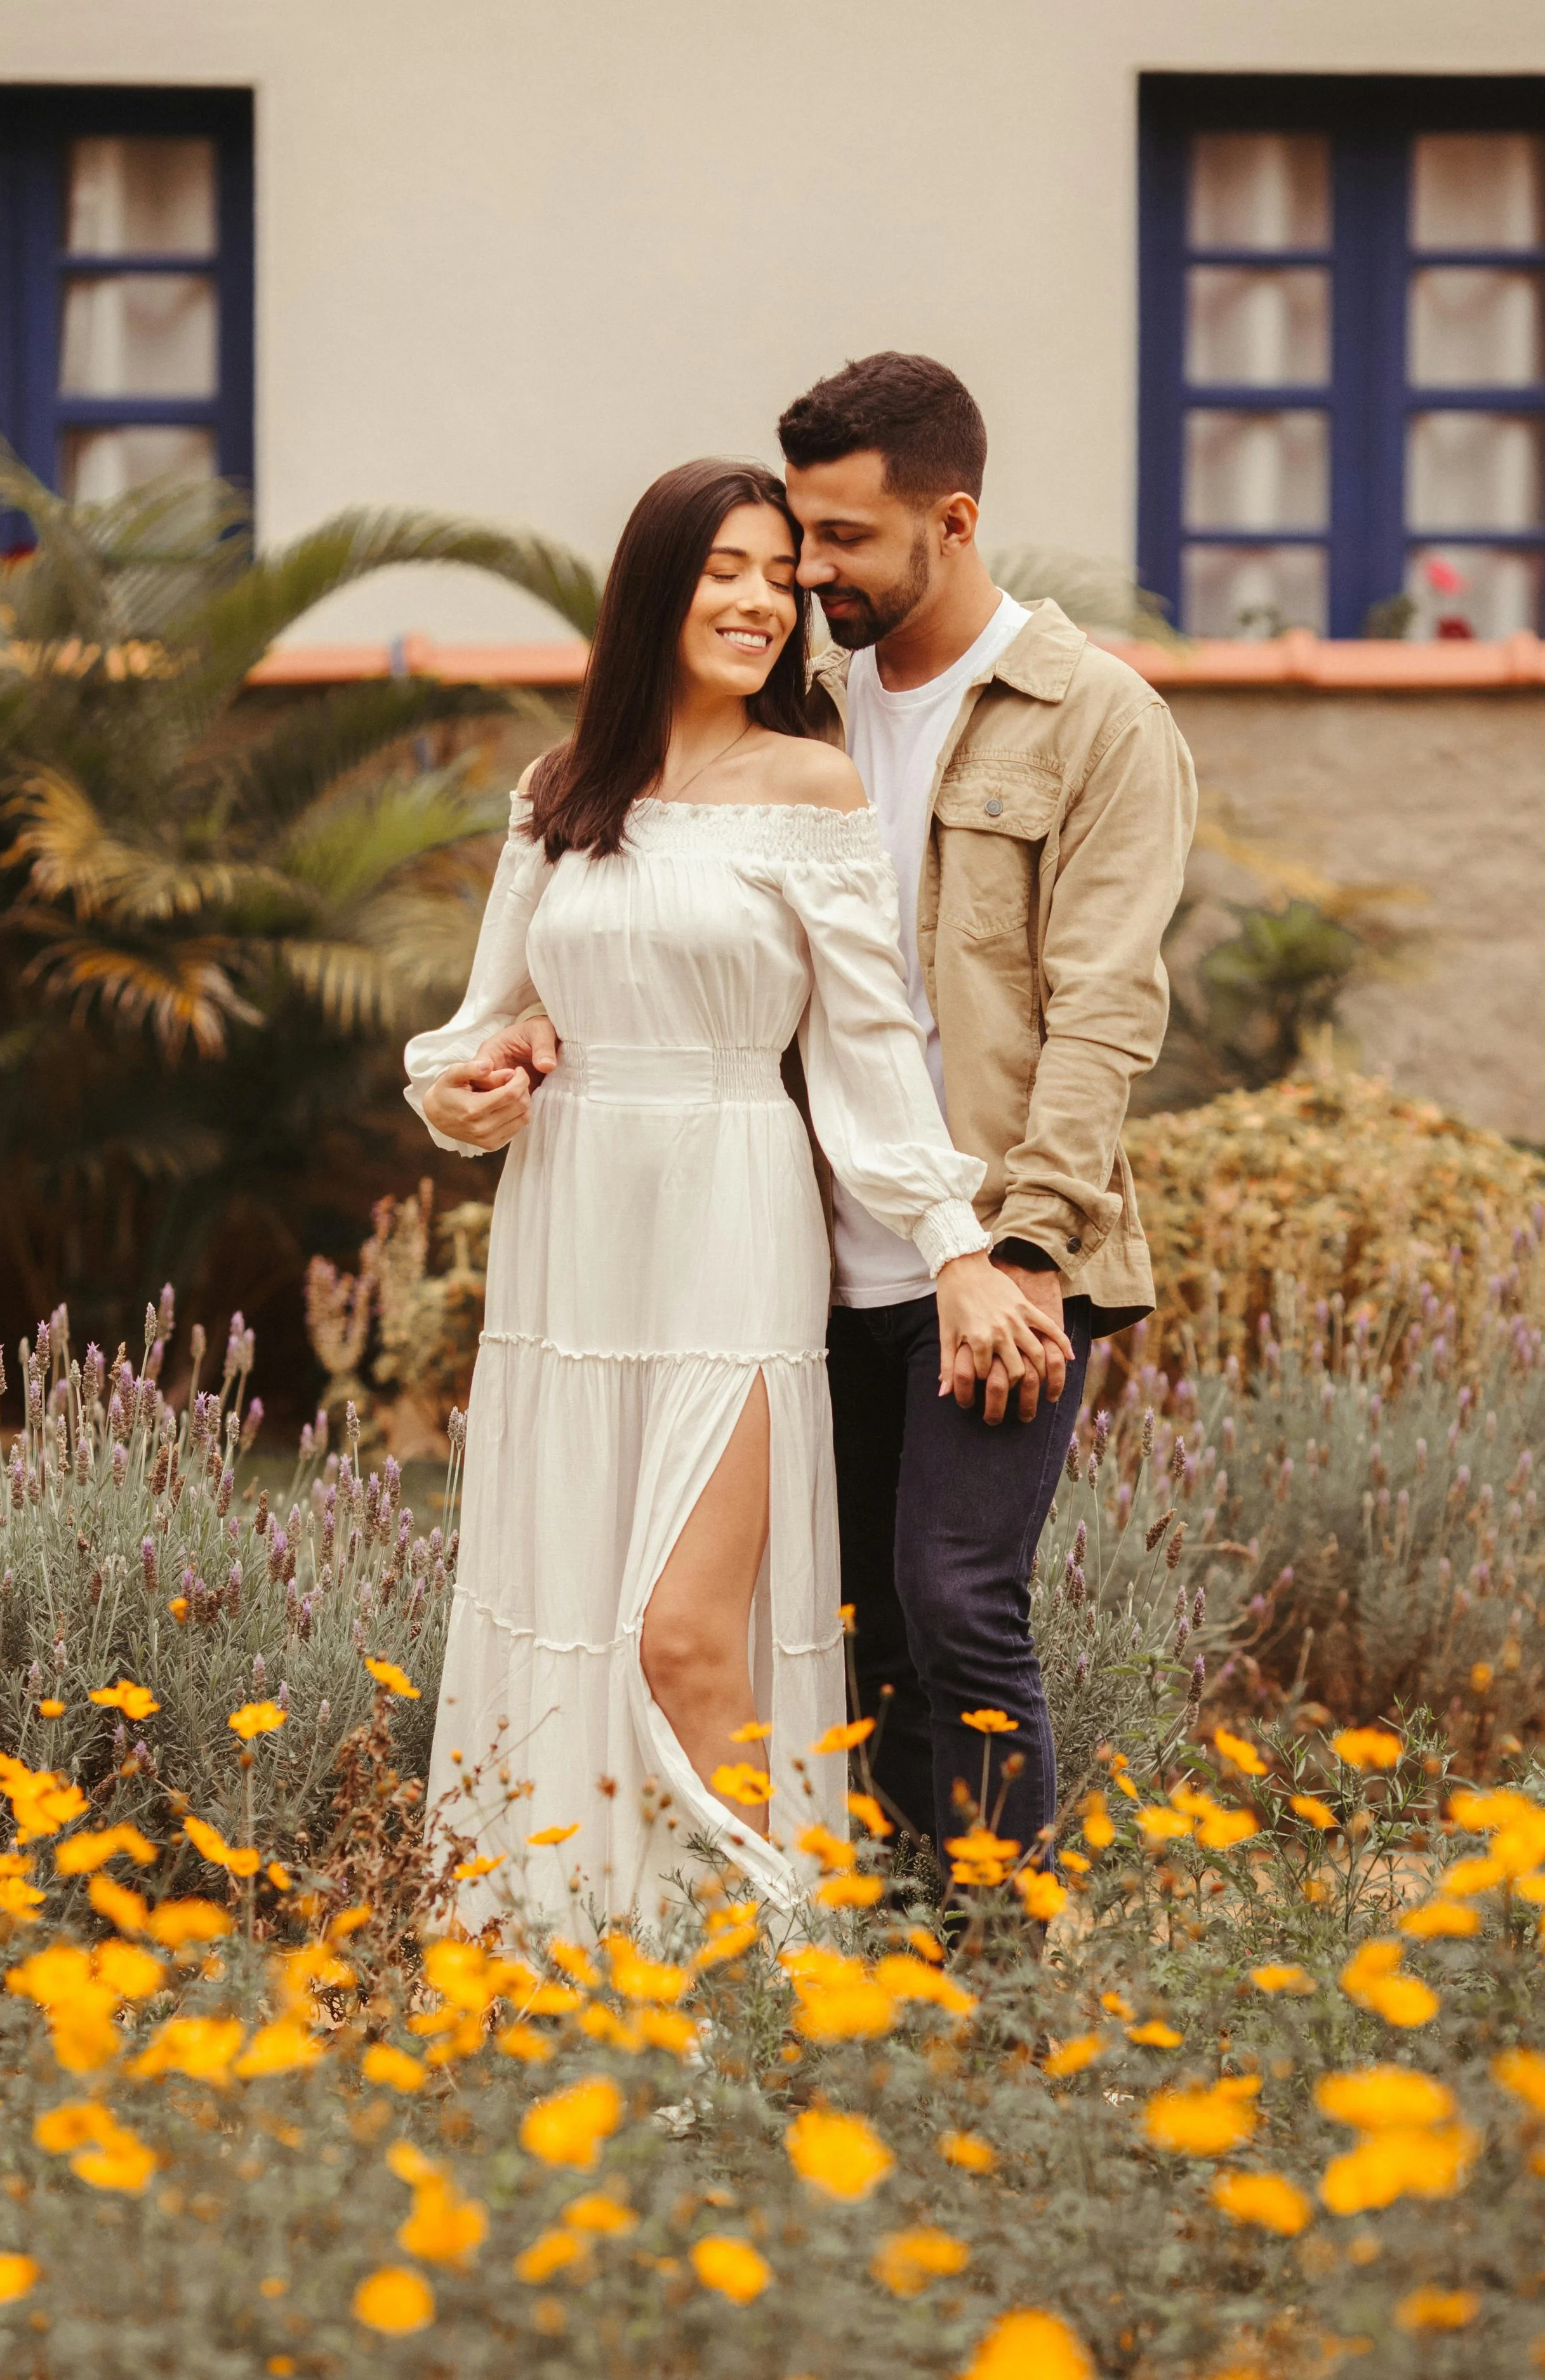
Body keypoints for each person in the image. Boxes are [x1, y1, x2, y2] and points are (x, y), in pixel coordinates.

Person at [403, 456, 1069, 1925]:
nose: (766, 601)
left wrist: (957, 1246)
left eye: (782, 576)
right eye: (727, 570)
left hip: (729, 1219)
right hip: (571, 1230)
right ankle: (583, 1960)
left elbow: (870, 1055)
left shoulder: (808, 789)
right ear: (655, 586)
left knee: (685, 1638)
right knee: (569, 1608)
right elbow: (473, 1031)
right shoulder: (557, 792)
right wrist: (465, 1093)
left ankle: (793, 1970)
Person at [778, 353, 1197, 1870]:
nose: (811, 568)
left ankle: (1011, 1992)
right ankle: (894, 1967)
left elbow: (1104, 1007)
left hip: (1003, 1250)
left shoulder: (1092, 721)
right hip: (807, 1246)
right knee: (851, 1621)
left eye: (847, 540)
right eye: (801, 532)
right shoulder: (799, 707)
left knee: (956, 1599)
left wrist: (1025, 1251)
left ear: (950, 521)